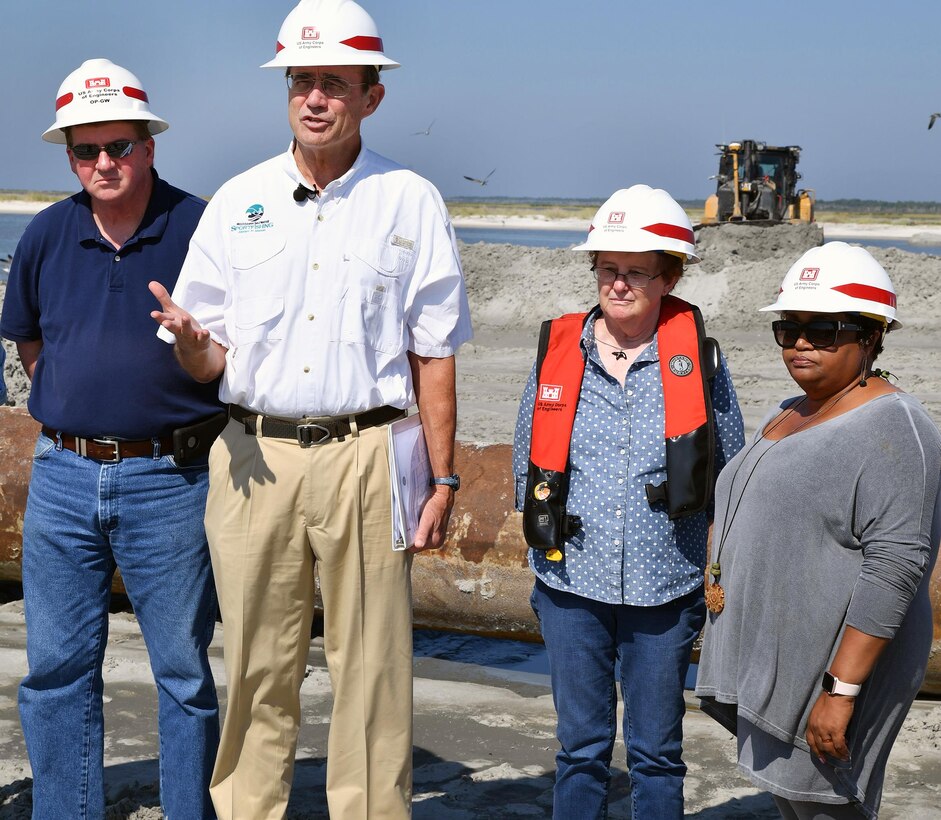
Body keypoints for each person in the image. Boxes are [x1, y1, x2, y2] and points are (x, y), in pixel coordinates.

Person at [149, 1, 472, 816]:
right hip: (253, 456)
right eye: (301, 81)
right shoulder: (239, 200)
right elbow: (208, 355)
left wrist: (443, 481)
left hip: (369, 455)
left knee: (372, 668)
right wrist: (190, 343)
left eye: (334, 82)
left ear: (372, 96)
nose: (314, 97)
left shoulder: (411, 200)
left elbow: (434, 354)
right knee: (259, 661)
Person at [0, 59, 222, 818]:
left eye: (118, 147)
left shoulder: (201, 227)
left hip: (174, 479)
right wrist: (82, 417)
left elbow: (228, 356)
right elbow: (31, 347)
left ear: (149, 145)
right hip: (62, 474)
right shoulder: (46, 234)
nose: (103, 164)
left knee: (183, 672)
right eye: (85, 150)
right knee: (56, 669)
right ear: (68, 154)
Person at [512, 185, 745, 820]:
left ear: (668, 277)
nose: (618, 284)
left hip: (665, 589)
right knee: (580, 749)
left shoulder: (701, 358)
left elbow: (729, 468)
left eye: (636, 272)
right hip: (570, 583)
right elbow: (524, 457)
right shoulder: (559, 353)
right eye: (607, 269)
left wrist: (715, 572)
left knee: (657, 752)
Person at [696, 242, 941, 819]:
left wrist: (841, 693)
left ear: (872, 336)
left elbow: (894, 569)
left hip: (831, 673)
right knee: (791, 804)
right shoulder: (793, 408)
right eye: (789, 328)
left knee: (826, 806)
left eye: (825, 329)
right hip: (779, 662)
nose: (801, 342)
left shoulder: (897, 429)